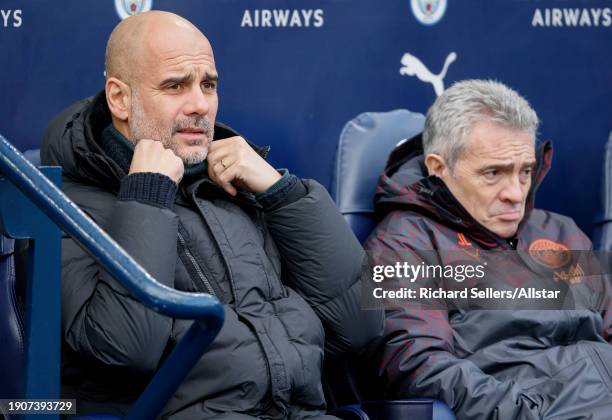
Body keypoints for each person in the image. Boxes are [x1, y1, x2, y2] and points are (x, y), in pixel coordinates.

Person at [41, 11, 382, 419]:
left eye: (209, 84)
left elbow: (360, 326)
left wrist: (283, 192)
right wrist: (147, 196)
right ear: (119, 99)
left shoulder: (236, 186)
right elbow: (125, 349)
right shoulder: (60, 204)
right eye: (175, 86)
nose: (200, 105)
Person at [363, 79, 612, 419]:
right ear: (439, 168)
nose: (515, 193)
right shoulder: (402, 246)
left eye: (525, 171)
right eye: (493, 172)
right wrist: (535, 414)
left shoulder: (560, 230)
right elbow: (420, 370)